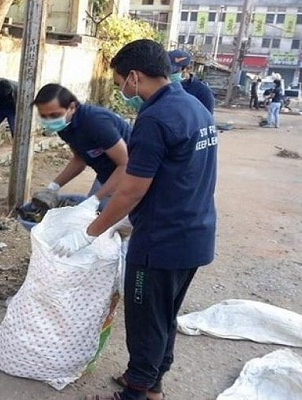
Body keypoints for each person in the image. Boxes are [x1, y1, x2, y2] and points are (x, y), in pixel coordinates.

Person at [55, 40, 217, 400]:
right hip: (196, 232)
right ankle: (150, 384)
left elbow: (131, 190)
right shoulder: (194, 106)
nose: (121, 91)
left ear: (134, 77)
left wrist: (89, 232)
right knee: (164, 316)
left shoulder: (155, 118)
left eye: (119, 84)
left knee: (145, 322)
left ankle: (136, 393)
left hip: (161, 241)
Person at [31, 84, 131, 211]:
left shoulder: (96, 122)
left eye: (54, 115)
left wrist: (95, 199)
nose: (49, 120)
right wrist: (53, 187)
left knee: (107, 218)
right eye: (44, 116)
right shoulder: (65, 127)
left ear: (71, 107)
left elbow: (125, 164)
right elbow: (80, 159)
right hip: (107, 173)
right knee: (91, 214)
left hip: (135, 173)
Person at [168, 49, 215, 114]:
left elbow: (207, 120)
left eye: (175, 71)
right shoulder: (162, 87)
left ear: (188, 69)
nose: (170, 74)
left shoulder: (202, 92)